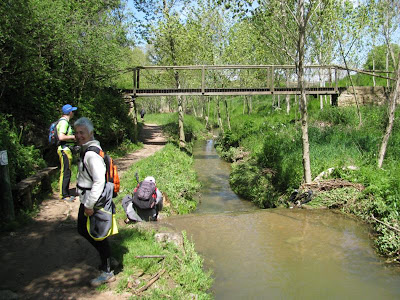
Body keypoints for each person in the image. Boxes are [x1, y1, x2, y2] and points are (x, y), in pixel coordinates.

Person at [74, 117, 116, 287]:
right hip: (88, 199)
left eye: (82, 132)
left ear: (90, 133)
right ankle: (108, 260)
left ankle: (107, 272)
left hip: (92, 201)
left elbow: (99, 181)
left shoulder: (91, 154)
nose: (78, 136)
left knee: (97, 236)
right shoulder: (88, 150)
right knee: (85, 230)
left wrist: (89, 205)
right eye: (76, 133)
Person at [57, 104, 77, 201]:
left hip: (66, 149)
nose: (73, 113)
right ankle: (63, 195)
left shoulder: (65, 122)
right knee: (65, 172)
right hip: (64, 150)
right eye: (72, 111)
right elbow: (61, 137)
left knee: (67, 171)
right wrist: (73, 137)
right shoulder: (64, 123)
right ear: (69, 112)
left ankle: (66, 192)